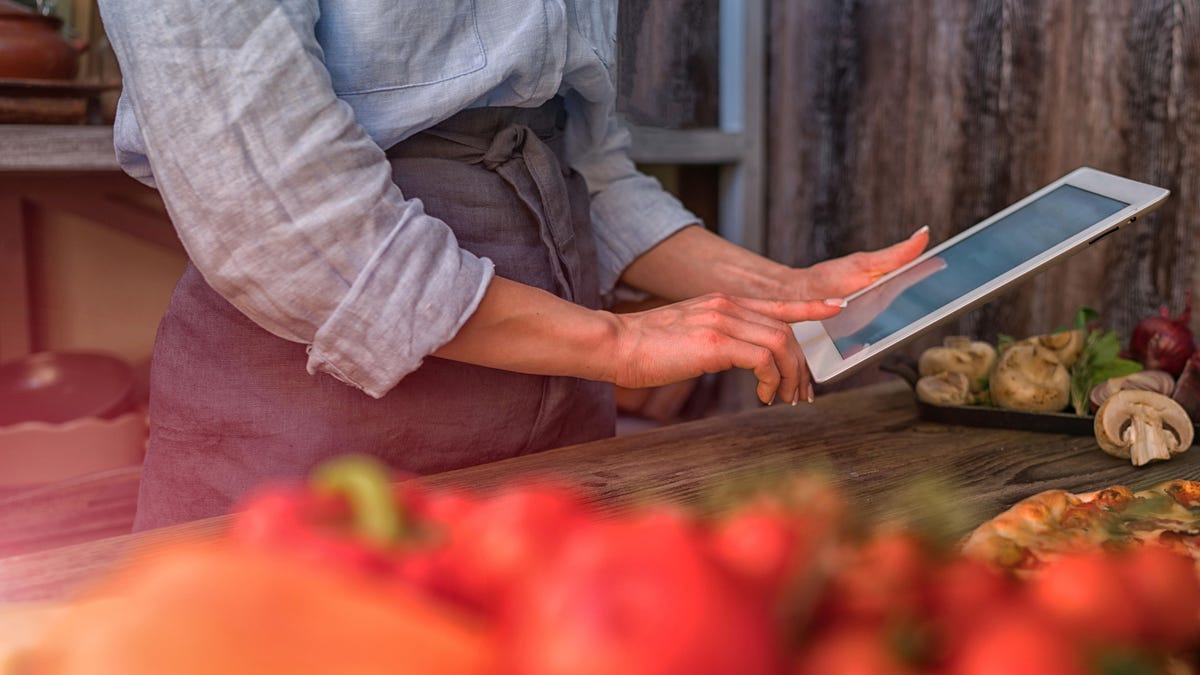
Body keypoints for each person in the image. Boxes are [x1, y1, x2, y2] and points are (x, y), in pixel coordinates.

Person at [96, 0, 929, 530]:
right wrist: (619, 344)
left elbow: (579, 161)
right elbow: (272, 200)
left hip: (554, 392)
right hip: (322, 407)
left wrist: (778, 291)